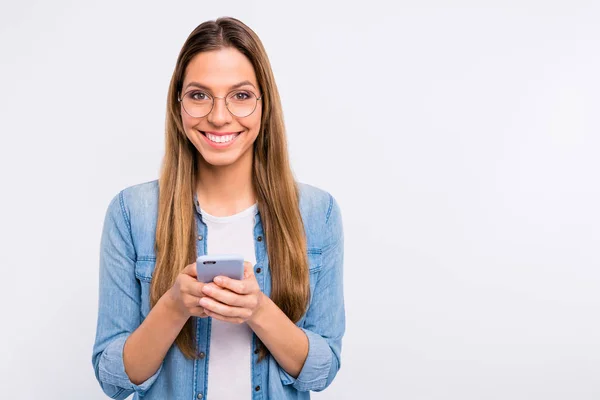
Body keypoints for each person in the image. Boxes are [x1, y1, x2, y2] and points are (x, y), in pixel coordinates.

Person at [91, 17, 345, 400]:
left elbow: (321, 372)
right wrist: (174, 306)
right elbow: (113, 378)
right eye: (199, 95)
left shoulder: (317, 212)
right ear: (179, 105)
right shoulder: (132, 213)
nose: (219, 116)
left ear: (265, 105)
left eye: (241, 95)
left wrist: (257, 310)